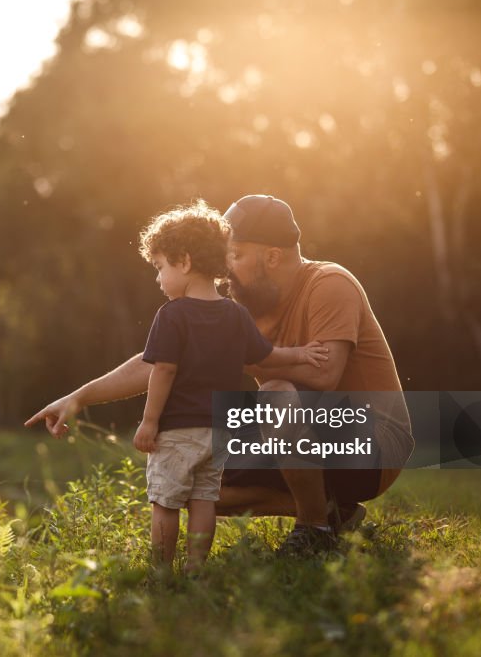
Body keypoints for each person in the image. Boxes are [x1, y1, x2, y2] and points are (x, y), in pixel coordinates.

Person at [26, 194, 414, 557]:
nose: (226, 269)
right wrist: (78, 397)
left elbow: (327, 374)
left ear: (273, 257)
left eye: (237, 256)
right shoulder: (244, 308)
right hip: (300, 435)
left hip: (374, 445)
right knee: (197, 474)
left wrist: (239, 359)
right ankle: (334, 512)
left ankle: (315, 530)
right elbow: (159, 360)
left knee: (276, 392)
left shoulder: (329, 284)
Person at [131, 202, 328, 571]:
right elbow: (267, 355)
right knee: (204, 500)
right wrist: (302, 354)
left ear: (185, 262)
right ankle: (195, 569)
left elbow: (164, 371)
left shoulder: (171, 315)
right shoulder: (235, 314)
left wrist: (149, 421)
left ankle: (160, 573)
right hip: (216, 430)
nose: (159, 279)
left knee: (166, 502)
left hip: (177, 430)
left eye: (160, 268)